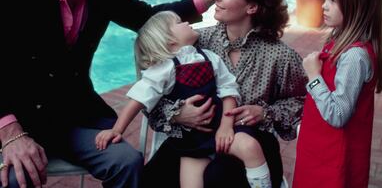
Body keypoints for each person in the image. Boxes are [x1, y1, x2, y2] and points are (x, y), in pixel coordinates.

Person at [0, 0, 212, 188]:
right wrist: (10, 132)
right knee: (12, 178)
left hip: (73, 118)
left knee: (127, 163)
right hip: (15, 119)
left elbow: (145, 17)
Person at [142, 0, 308, 188]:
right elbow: (152, 97)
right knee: (151, 178)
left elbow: (303, 102)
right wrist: (178, 114)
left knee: (218, 177)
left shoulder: (281, 56)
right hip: (199, 138)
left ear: (251, 7)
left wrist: (265, 112)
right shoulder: (197, 42)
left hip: (252, 142)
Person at [96, 10, 273, 188]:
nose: (186, 22)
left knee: (250, 147)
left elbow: (229, 90)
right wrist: (117, 130)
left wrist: (226, 127)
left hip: (221, 131)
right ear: (170, 40)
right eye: (179, 22)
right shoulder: (164, 68)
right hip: (193, 144)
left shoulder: (210, 57)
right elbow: (139, 98)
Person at [292, 0, 382, 188]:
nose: (324, 5)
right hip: (319, 150)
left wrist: (314, 76)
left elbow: (338, 114)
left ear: (357, 6)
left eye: (332, 0)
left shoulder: (355, 56)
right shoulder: (339, 38)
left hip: (333, 160)